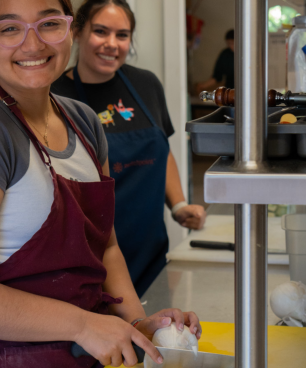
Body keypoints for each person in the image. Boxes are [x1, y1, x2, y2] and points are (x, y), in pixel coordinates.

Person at [0, 0, 202, 367]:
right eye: (9, 28)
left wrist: (138, 326)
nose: (33, 44)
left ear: (70, 30)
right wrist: (83, 325)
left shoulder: (83, 122)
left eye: (49, 24)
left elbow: (106, 249)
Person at [51, 0, 207, 297]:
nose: (112, 44)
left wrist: (178, 205)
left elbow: (162, 151)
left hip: (150, 252)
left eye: (122, 35)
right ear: (78, 33)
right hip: (89, 259)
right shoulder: (56, 95)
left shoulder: (146, 84)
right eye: (100, 31)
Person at [195, 29, 235, 94]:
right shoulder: (225, 54)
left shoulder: (247, 54)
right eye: (228, 44)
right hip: (230, 92)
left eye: (232, 43)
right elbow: (217, 76)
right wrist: (203, 86)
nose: (230, 46)